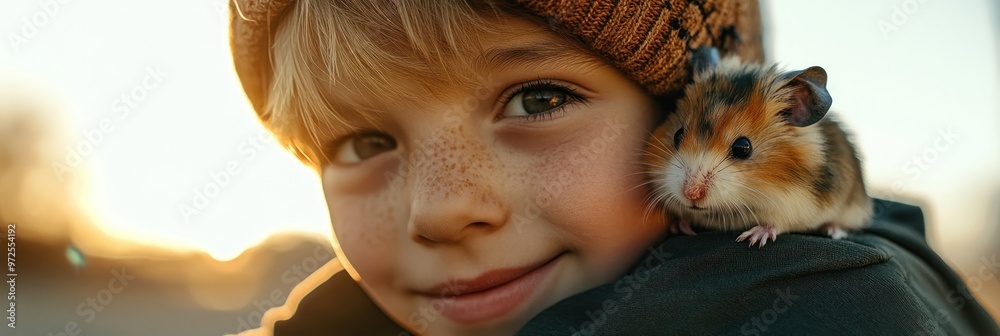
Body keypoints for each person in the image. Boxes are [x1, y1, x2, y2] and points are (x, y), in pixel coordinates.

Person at [227, 0, 1000, 335]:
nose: (439, 209)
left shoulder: (820, 318)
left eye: (537, 100)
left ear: (687, 108)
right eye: (364, 144)